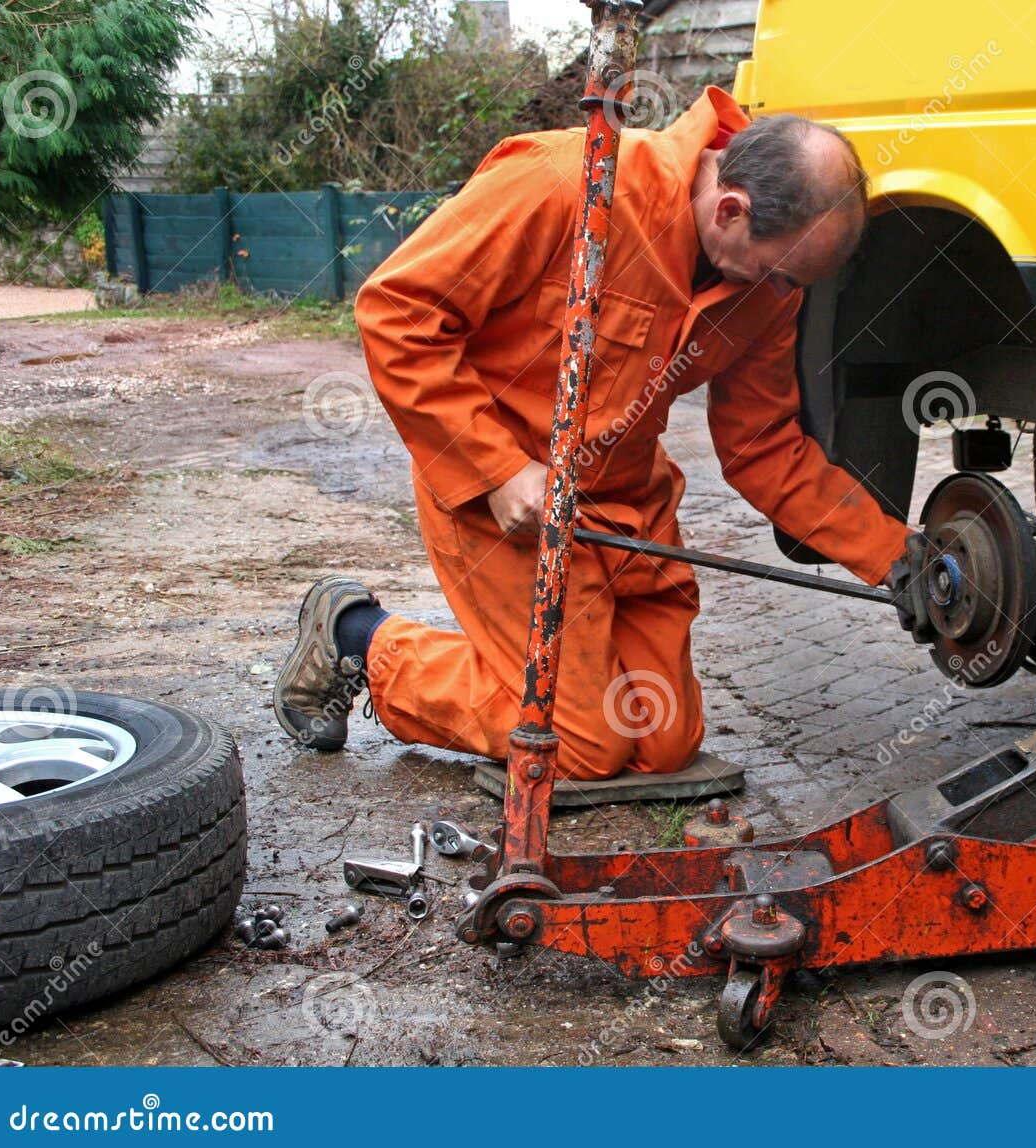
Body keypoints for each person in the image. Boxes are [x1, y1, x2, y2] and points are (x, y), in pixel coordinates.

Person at [273, 88, 910, 781]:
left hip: (625, 514)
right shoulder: (569, 183)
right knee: (585, 745)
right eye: (780, 274)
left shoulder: (767, 291)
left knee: (663, 740)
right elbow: (396, 311)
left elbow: (763, 446)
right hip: (506, 510)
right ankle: (360, 641)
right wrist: (497, 469)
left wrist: (896, 557)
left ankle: (522, 678)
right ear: (731, 209)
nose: (784, 293)